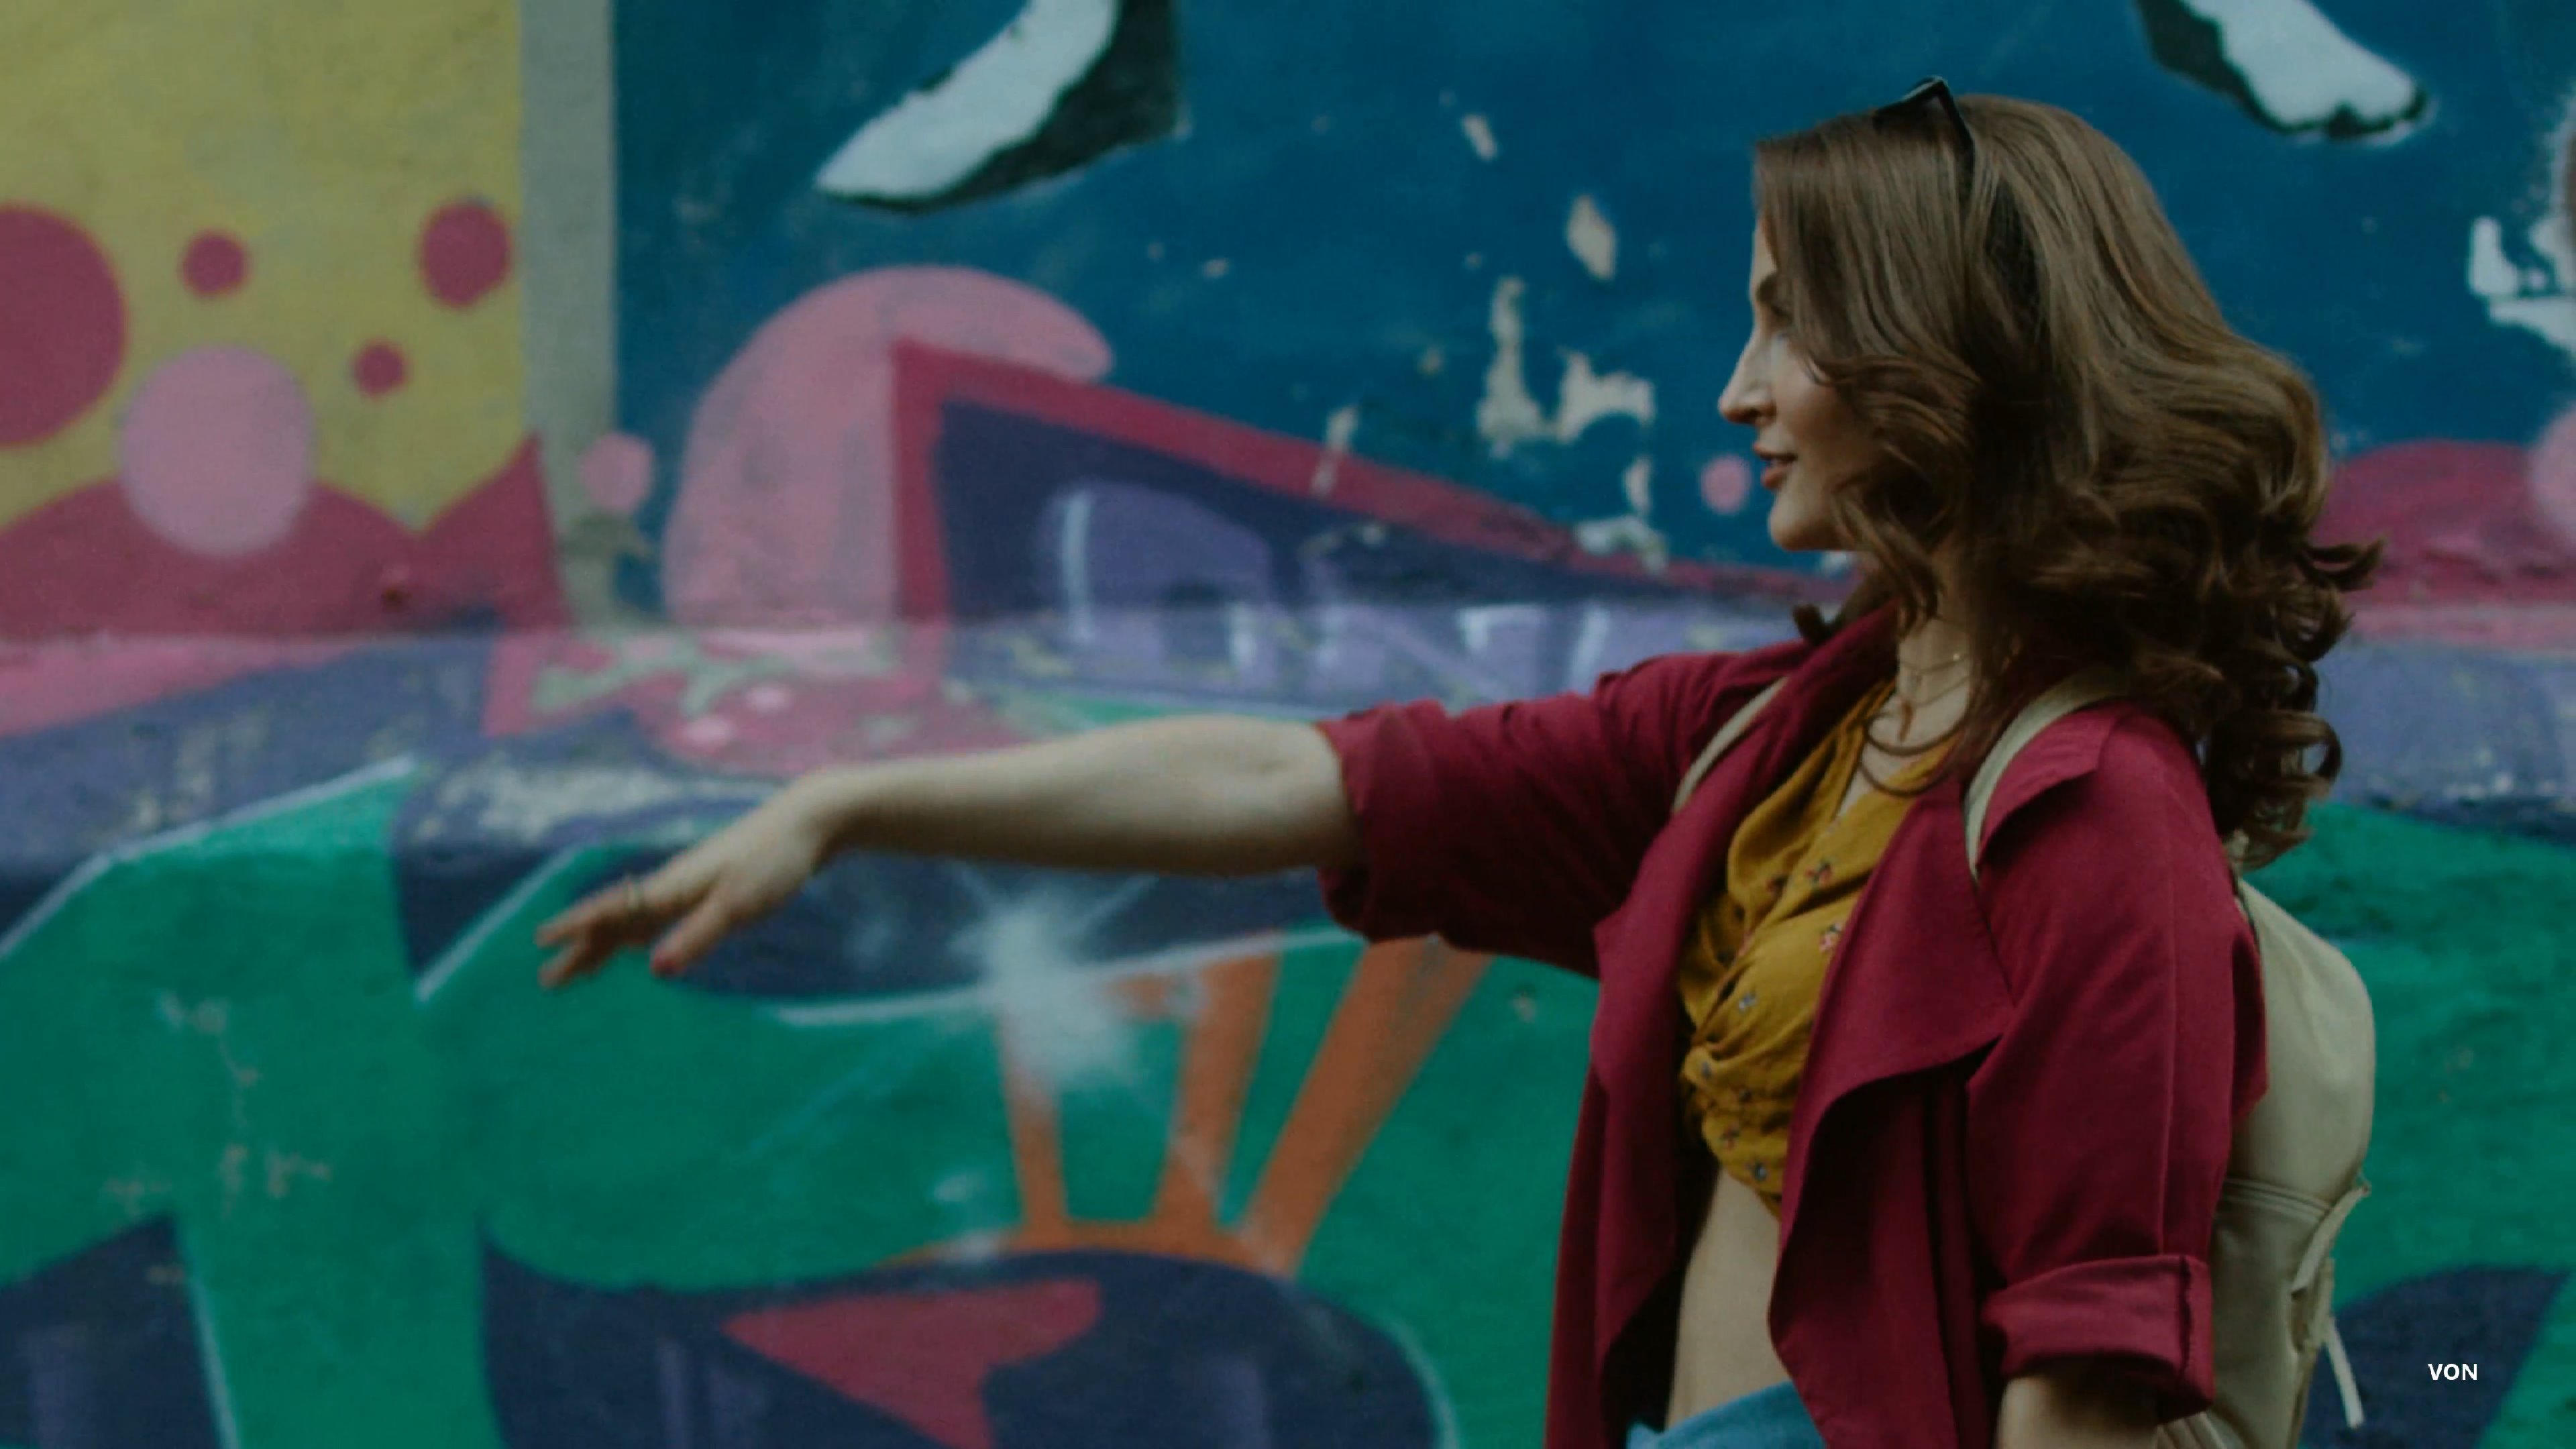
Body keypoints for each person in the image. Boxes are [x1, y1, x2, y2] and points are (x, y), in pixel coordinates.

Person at [536, 82, 2379, 1449]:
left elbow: (2088, 1376)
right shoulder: (1767, 743)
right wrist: (855, 803)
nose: (1738, 388)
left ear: (1942, 358)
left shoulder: (2090, 815)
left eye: (1786, 321)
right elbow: (1306, 783)